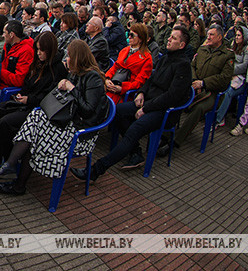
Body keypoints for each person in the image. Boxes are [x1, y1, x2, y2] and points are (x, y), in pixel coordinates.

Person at [71, 25, 192, 178]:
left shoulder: (183, 66)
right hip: (148, 102)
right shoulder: (166, 58)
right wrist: (141, 92)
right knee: (115, 112)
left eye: (173, 38)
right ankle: (134, 151)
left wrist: (146, 108)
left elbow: (172, 96)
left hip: (163, 111)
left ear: (182, 45)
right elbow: (150, 80)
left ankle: (95, 170)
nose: (168, 39)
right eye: (170, 36)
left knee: (134, 131)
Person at [0, 40, 108, 196]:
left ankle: (15, 174)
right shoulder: (76, 74)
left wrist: (70, 88)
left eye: (69, 57)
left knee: (35, 135)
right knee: (36, 117)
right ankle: (13, 171)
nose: (67, 60)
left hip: (82, 131)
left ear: (78, 58)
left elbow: (87, 110)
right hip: (69, 122)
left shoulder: (93, 78)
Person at [0, 31, 67, 175]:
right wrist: (22, 94)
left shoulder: (58, 69)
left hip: (37, 110)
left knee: (6, 122)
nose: (39, 53)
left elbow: (50, 95)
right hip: (24, 101)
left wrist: (29, 99)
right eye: (37, 49)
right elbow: (27, 84)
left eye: (42, 50)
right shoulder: (38, 63)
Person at [174, 24, 233, 147]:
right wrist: (195, 81)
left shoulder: (227, 55)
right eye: (208, 34)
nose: (209, 37)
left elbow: (225, 78)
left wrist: (204, 83)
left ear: (220, 37)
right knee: (176, 96)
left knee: (199, 108)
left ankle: (176, 140)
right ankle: (167, 129)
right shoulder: (202, 49)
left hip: (211, 93)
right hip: (194, 86)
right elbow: (192, 66)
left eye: (212, 34)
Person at [0, 20, 34, 106]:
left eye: (4, 33)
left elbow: (19, 80)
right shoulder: (8, 45)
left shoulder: (26, 51)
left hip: (7, 89)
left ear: (12, 34)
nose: (2, 35)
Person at [104, 23, 153, 104]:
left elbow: (139, 82)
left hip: (125, 92)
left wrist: (121, 88)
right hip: (112, 84)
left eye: (132, 35)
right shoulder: (124, 50)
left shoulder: (147, 58)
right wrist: (107, 79)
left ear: (140, 39)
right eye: (128, 34)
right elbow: (114, 67)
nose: (129, 37)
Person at [221, 27, 248, 131]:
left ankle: (220, 119)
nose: (236, 37)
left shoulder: (247, 49)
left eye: (239, 35)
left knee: (229, 92)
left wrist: (230, 70)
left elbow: (244, 66)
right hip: (232, 74)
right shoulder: (233, 45)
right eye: (236, 35)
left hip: (242, 78)